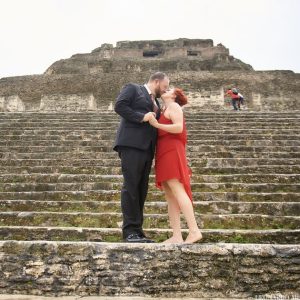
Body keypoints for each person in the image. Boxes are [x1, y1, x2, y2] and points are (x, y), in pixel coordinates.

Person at [113, 72, 170, 243]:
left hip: (146, 149)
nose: (165, 90)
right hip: (131, 144)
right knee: (131, 187)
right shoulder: (133, 88)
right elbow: (119, 106)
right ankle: (129, 231)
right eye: (165, 87)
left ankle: (137, 230)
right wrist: (141, 117)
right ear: (157, 81)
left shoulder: (156, 102)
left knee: (141, 190)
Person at [148, 88, 202, 244]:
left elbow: (178, 127)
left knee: (177, 189)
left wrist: (157, 124)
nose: (166, 89)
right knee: (170, 195)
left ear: (174, 95)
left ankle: (194, 231)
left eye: (170, 89)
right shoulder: (164, 108)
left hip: (172, 150)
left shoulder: (174, 106)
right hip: (163, 150)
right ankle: (177, 235)